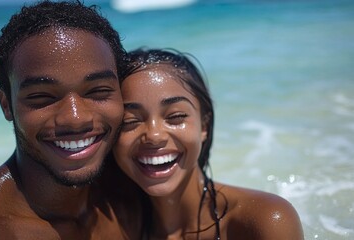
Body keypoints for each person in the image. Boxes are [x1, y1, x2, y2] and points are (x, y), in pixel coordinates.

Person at [0, 1, 143, 239]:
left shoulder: (132, 196)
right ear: (6, 105)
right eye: (42, 96)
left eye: (97, 91)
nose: (75, 117)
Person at [113, 48, 304, 239]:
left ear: (204, 126)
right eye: (129, 121)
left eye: (176, 116)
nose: (154, 135)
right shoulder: (111, 228)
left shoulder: (264, 221)